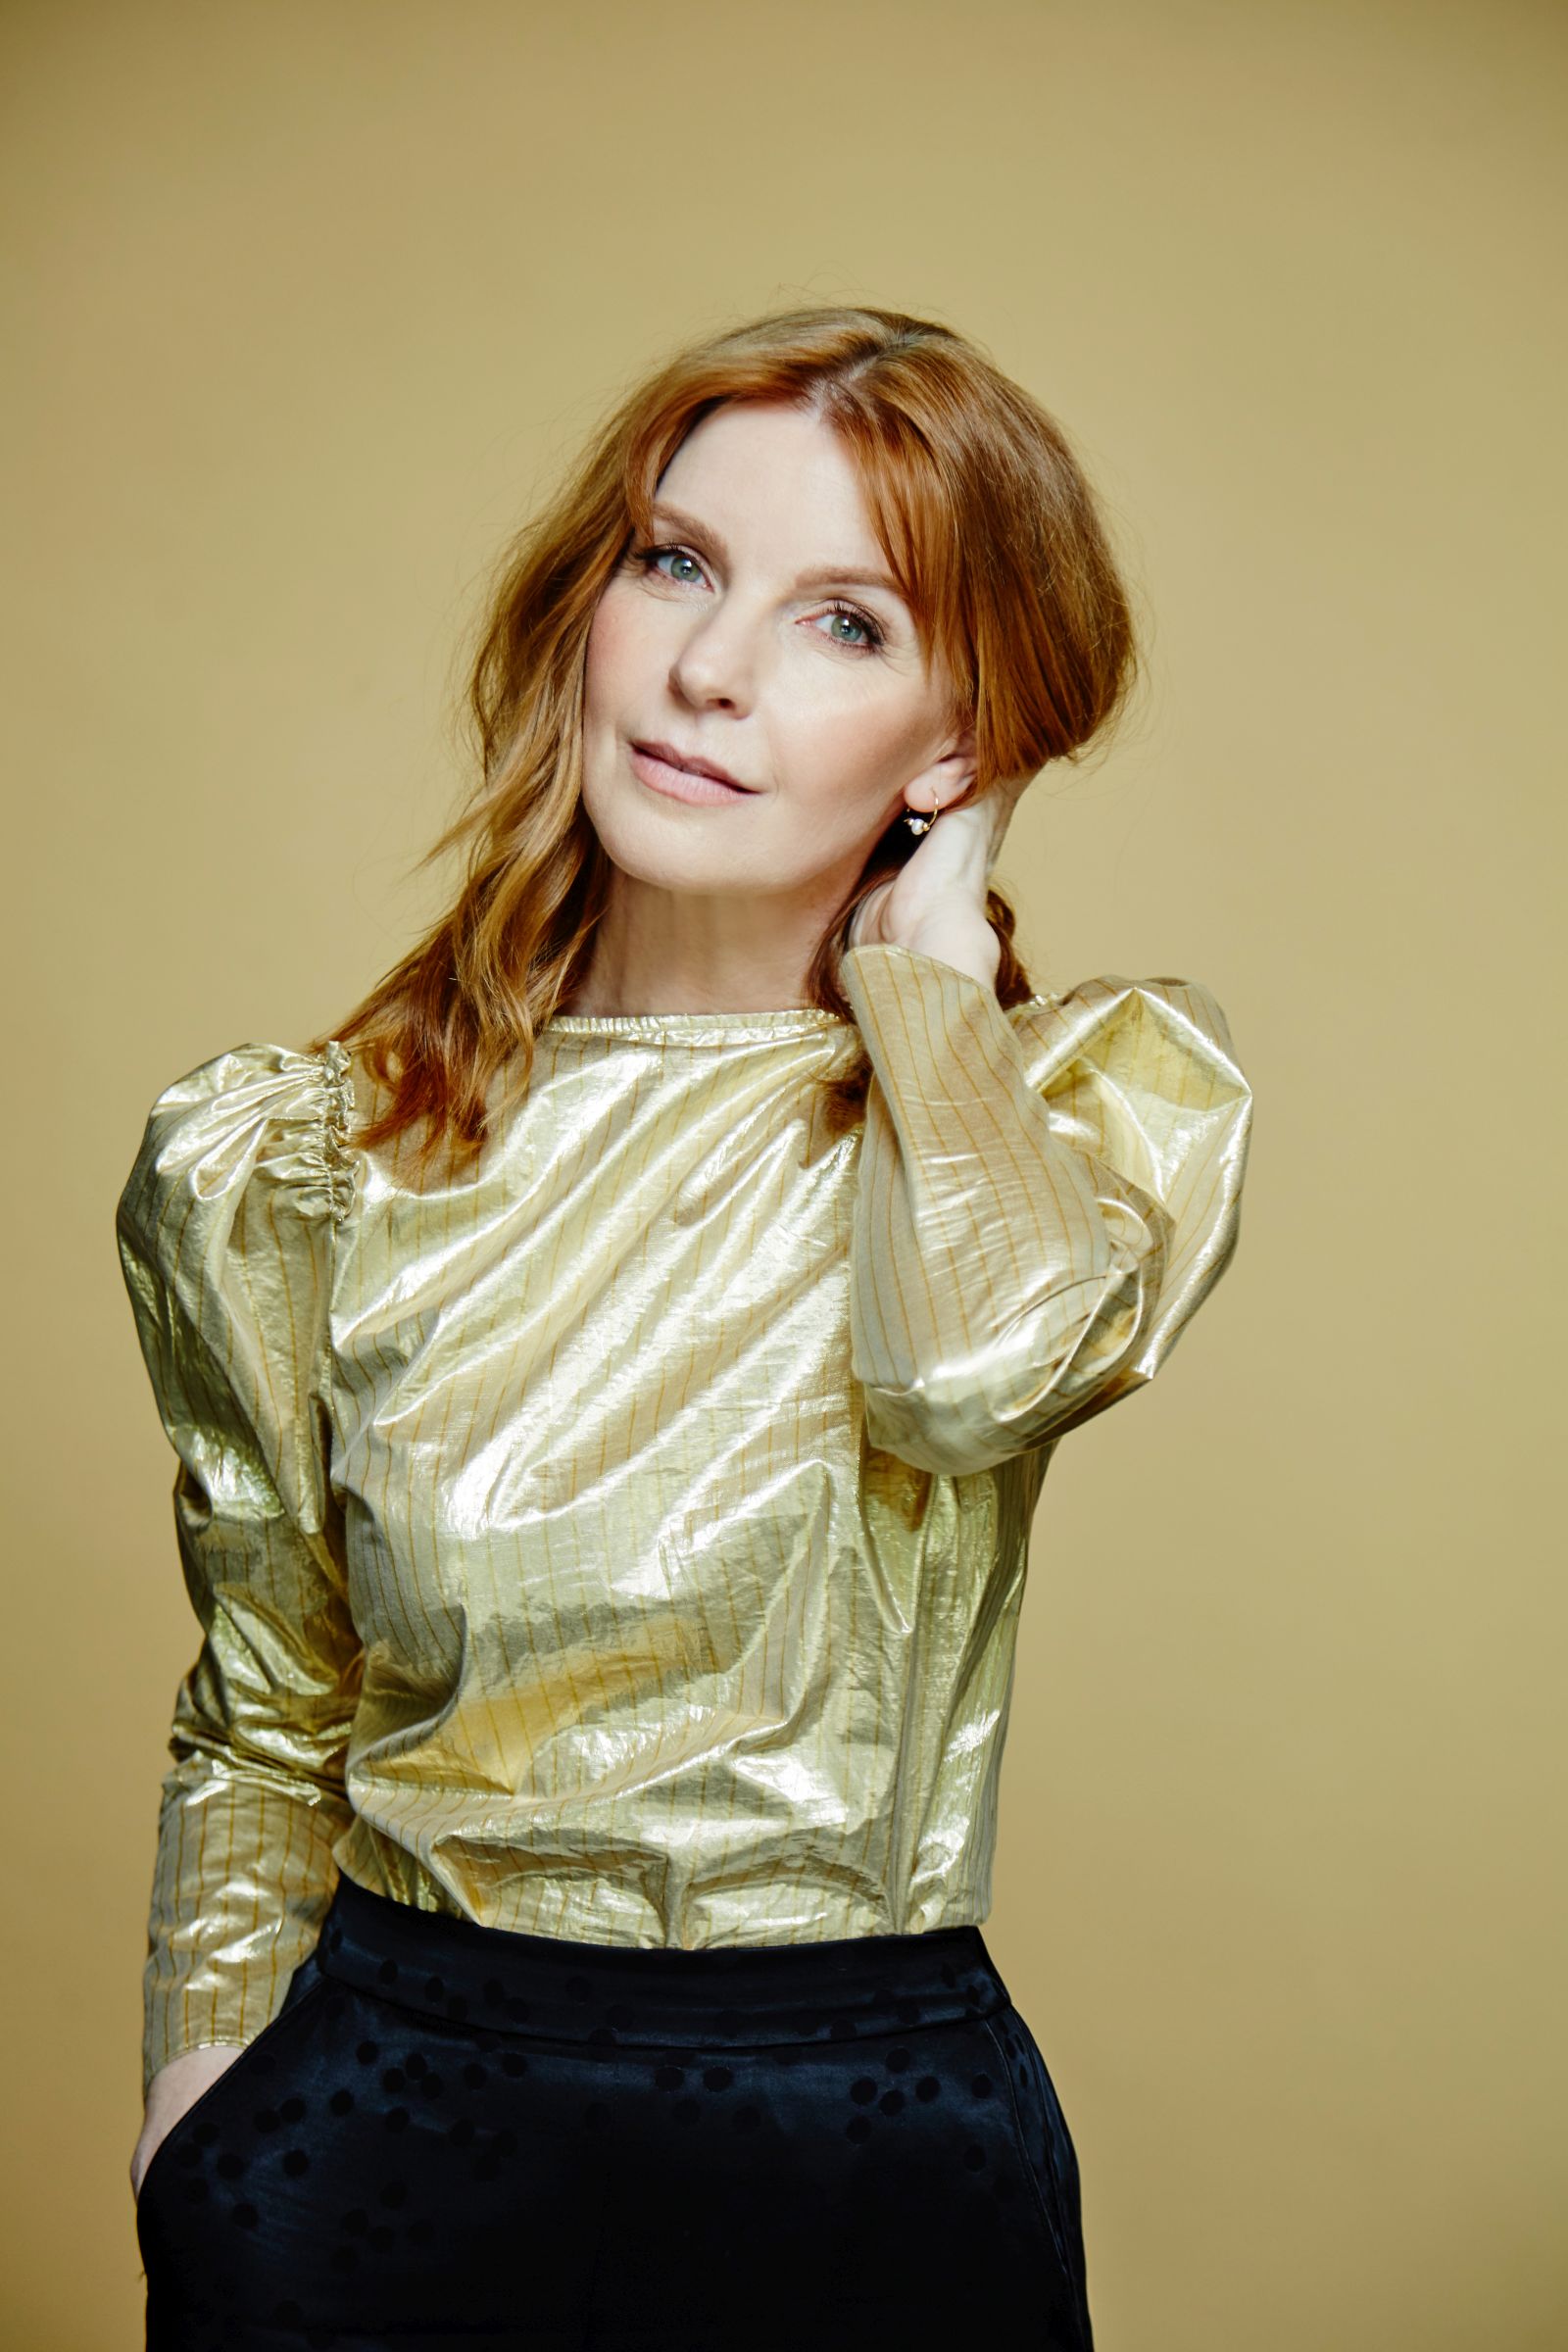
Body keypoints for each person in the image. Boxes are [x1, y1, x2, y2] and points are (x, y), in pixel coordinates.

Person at [117, 304, 1252, 2350]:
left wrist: (928, 981)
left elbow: (966, 1379)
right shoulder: (308, 1160)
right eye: (676, 563)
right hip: (372, 2143)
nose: (712, 668)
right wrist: (196, 2130)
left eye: (847, 624)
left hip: (863, 2165)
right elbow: (269, 1705)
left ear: (958, 748)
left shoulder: (1074, 1114)